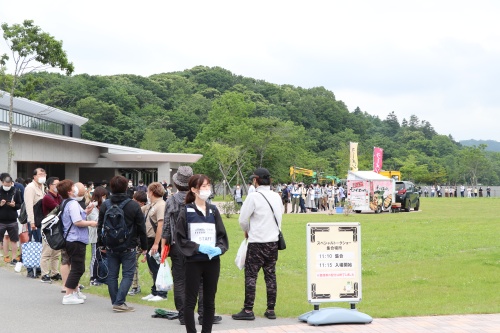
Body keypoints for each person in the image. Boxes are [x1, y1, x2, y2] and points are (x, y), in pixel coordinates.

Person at [176, 174, 228, 333]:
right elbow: (180, 238)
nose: (206, 189)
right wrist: (197, 247)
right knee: (190, 300)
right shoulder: (186, 211)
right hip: (194, 262)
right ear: (193, 189)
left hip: (212, 261)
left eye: (208, 186)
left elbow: (222, 235)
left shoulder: (213, 210)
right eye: (203, 186)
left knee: (209, 301)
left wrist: (219, 248)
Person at [232, 168, 283, 321]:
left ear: (256, 180)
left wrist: (247, 230)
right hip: (273, 242)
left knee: (251, 276)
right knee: (270, 276)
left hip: (256, 242)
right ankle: (271, 309)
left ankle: (248, 310)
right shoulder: (276, 196)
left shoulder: (253, 197)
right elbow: (280, 216)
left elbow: (242, 220)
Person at [97, 175, 148, 312]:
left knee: (112, 275)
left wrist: (100, 244)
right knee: (128, 274)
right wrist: (144, 246)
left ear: (111, 187)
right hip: (129, 245)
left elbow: (100, 226)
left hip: (110, 245)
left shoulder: (105, 205)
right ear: (126, 187)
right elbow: (141, 228)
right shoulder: (133, 205)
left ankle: (116, 302)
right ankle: (119, 302)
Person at [57, 180, 97, 305]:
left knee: (76, 266)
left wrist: (87, 211)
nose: (76, 188)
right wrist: (92, 223)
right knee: (78, 268)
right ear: (69, 191)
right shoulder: (72, 203)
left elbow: (79, 216)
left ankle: (74, 291)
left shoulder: (66, 202)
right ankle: (69, 294)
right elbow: (77, 221)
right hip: (75, 239)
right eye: (73, 186)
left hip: (72, 239)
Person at [140, 182, 168, 302]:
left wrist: (156, 244)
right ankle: (155, 290)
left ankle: (161, 293)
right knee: (152, 266)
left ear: (151, 192)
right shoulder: (152, 204)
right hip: (149, 240)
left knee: (157, 266)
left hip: (155, 241)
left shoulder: (161, 205)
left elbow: (161, 226)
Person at [24, 167, 46, 278]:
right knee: (33, 244)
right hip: (34, 221)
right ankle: (30, 269)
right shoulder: (30, 188)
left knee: (40, 245)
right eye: (40, 174)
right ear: (34, 176)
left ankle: (38, 268)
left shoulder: (42, 187)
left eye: (44, 174)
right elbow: (29, 207)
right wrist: (32, 222)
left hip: (41, 220)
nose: (42, 176)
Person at [40, 177, 63, 283]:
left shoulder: (59, 196)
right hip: (48, 228)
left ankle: (54, 273)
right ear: (50, 186)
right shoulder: (47, 198)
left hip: (57, 227)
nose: (58, 186)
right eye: (56, 184)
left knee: (56, 252)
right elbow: (59, 208)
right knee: (47, 252)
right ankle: (44, 274)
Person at [128, 190, 148, 296]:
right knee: (132, 264)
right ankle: (134, 286)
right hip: (136, 241)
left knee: (151, 265)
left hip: (142, 241)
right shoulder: (134, 209)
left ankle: (158, 289)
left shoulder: (144, 210)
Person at [87, 186, 107, 286]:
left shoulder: (101, 206)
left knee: (101, 257)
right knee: (95, 256)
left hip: (102, 235)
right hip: (95, 235)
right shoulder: (92, 206)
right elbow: (96, 221)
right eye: (103, 196)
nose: (105, 198)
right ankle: (92, 277)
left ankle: (100, 276)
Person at [0, 175, 22, 265]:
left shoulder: (16, 191)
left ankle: (13, 258)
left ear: (11, 183)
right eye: (5, 185)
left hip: (12, 219)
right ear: (2, 183)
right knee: (3, 238)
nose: (7, 187)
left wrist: (14, 205)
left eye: (9, 185)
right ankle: (5, 256)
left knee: (14, 240)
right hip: (1, 220)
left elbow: (20, 204)